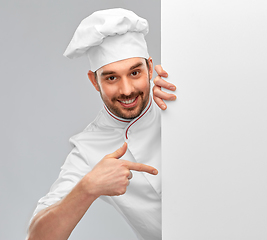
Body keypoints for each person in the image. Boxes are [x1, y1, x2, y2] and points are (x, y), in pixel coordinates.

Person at [27, 8, 176, 240]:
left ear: (149, 67)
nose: (126, 90)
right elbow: (37, 236)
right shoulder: (88, 148)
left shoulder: (174, 97)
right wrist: (88, 187)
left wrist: (188, 98)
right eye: (111, 77)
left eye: (135, 72)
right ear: (94, 81)